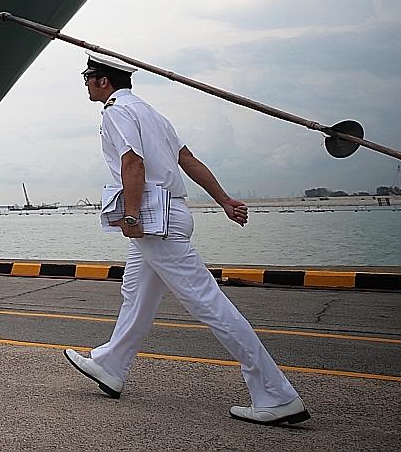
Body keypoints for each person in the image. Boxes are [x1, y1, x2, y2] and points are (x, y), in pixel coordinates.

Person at [64, 55, 309, 426]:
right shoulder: (153, 114)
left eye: (87, 77)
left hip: (154, 219)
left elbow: (133, 163)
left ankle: (276, 395)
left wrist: (131, 215)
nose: (85, 83)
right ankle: (110, 365)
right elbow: (188, 160)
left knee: (208, 302)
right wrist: (224, 200)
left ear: (103, 81)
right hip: (171, 212)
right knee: (136, 295)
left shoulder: (117, 111)